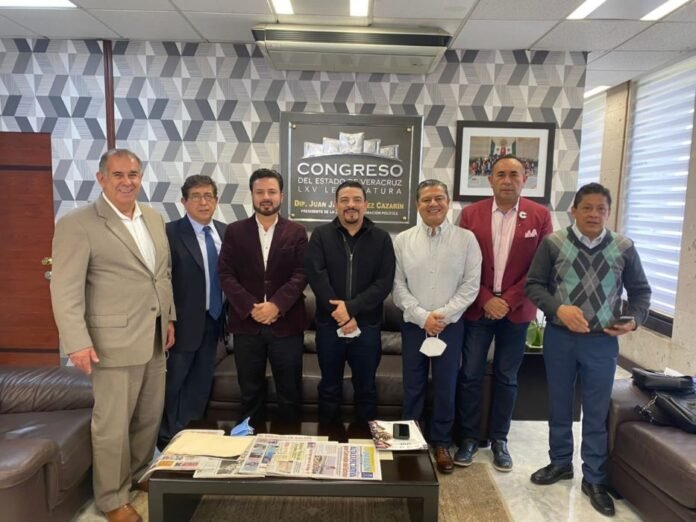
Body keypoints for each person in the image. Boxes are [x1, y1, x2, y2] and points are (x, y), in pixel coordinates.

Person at [50, 149, 175, 522]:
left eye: (133, 174)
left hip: (154, 336)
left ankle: (137, 474)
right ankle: (110, 498)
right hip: (110, 343)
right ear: (101, 178)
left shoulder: (153, 218)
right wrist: (77, 341)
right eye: (118, 174)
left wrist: (169, 319)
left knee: (148, 417)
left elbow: (162, 275)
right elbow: (65, 288)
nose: (127, 181)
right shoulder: (78, 224)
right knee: (112, 425)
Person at [525, 183, 651, 517]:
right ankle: (560, 462)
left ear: (608, 212)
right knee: (559, 403)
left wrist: (633, 321)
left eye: (601, 209)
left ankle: (594, 478)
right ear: (574, 211)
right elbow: (533, 285)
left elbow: (641, 292)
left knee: (596, 411)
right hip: (560, 337)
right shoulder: (553, 243)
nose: (594, 214)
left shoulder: (624, 247)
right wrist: (558, 309)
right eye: (587, 208)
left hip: (602, 341)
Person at [455, 155, 552, 472]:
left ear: (525, 179)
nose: (507, 180)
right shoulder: (470, 214)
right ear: (490, 180)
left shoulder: (540, 216)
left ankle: (499, 440)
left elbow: (541, 268)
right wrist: (486, 298)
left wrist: (508, 300)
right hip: (477, 308)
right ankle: (469, 438)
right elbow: (461, 263)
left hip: (517, 311)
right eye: (501, 174)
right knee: (470, 375)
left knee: (507, 378)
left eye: (514, 174)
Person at [393, 180, 481, 474]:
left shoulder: (466, 240)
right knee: (413, 385)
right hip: (414, 325)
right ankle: (410, 440)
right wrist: (423, 317)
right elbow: (398, 286)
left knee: (446, 386)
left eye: (439, 198)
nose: (433, 204)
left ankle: (442, 442)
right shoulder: (403, 240)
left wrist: (441, 316)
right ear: (417, 205)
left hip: (450, 326)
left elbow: (470, 286)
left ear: (448, 202)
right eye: (426, 199)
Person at [218, 168, 308, 425]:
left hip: (287, 324)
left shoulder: (296, 231)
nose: (266, 197)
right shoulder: (235, 231)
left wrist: (276, 305)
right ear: (252, 195)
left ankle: (290, 442)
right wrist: (251, 307)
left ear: (282, 196)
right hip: (247, 325)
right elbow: (225, 273)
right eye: (260, 192)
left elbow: (302, 273)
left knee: (289, 393)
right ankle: (249, 444)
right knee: (250, 393)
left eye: (271, 192)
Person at [304, 180, 395, 424]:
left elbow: (384, 283)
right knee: (329, 388)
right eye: (344, 200)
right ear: (335, 205)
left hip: (367, 327)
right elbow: (316, 277)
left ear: (366, 205)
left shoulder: (382, 239)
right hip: (329, 326)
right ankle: (328, 439)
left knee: (366, 389)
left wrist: (352, 309)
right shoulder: (320, 236)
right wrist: (342, 314)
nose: (350, 205)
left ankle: (364, 440)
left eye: (356, 200)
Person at [157, 175, 227, 449]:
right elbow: (161, 278)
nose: (203, 202)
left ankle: (190, 434)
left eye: (208, 196)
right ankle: (165, 439)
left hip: (215, 320)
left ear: (216, 201)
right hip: (181, 323)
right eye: (196, 196)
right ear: (184, 201)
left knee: (200, 382)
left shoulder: (225, 232)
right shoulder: (169, 233)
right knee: (174, 382)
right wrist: (168, 319)